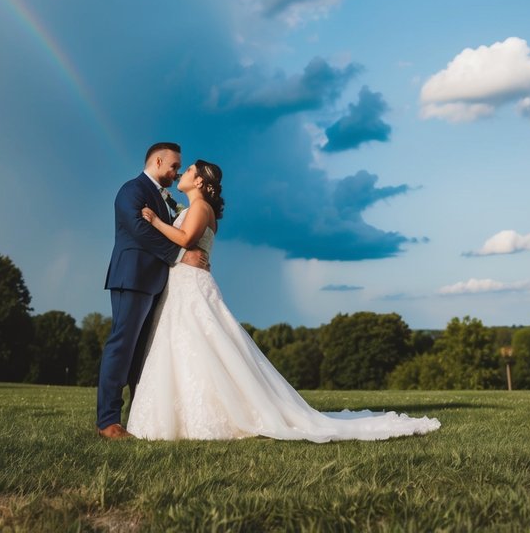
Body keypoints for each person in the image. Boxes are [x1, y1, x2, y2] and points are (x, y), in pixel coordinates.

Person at [127, 159, 441, 442]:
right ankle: (181, 417)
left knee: (203, 344)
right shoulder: (188, 209)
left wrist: (154, 221)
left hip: (192, 286)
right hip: (182, 283)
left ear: (199, 182)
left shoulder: (199, 208)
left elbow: (185, 240)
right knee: (187, 346)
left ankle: (209, 416)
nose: (182, 173)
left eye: (190, 170)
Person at [97, 142, 209, 440]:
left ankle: (136, 419)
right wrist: (180, 255)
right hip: (131, 278)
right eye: (173, 166)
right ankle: (108, 421)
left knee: (141, 354)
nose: (176, 172)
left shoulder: (162, 197)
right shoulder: (131, 190)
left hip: (154, 282)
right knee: (122, 347)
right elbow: (139, 229)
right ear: (158, 161)